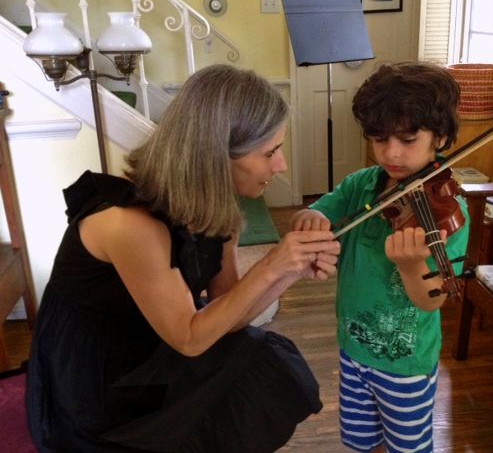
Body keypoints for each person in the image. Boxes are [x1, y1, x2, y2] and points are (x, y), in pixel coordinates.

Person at [26, 64, 341, 453]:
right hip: (99, 375)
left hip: (157, 340)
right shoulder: (127, 223)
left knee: (254, 357)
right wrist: (272, 265)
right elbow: (190, 339)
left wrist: (291, 270)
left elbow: (229, 312)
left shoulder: (217, 206)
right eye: (270, 152)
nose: (281, 166)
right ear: (216, 156)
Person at [291, 62, 470, 453]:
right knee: (360, 443)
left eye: (407, 140)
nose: (391, 153)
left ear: (440, 138)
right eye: (379, 138)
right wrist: (311, 217)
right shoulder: (361, 186)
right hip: (352, 350)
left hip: (404, 366)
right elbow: (324, 210)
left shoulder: (446, 210)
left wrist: (410, 265)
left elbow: (433, 299)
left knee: (407, 448)